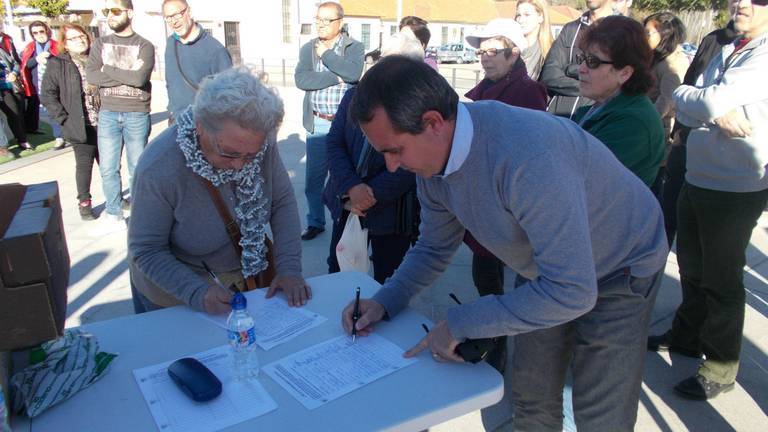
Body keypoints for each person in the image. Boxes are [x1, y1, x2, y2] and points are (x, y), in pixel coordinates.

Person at [341, 56, 667, 431]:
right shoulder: (430, 165)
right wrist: (385, 302)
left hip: (622, 266)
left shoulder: (529, 156)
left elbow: (572, 291)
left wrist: (462, 322)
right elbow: (433, 247)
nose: (392, 166)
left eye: (393, 151)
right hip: (547, 268)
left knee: (599, 413)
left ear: (432, 123)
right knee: (530, 397)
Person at [648, 0, 768, 401]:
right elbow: (707, 102)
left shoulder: (763, 52)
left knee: (721, 278)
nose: (742, 4)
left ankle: (719, 365)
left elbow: (708, 101)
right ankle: (686, 335)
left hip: (735, 185)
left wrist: (692, 97)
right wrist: (703, 103)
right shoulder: (732, 45)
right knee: (692, 267)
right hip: (699, 175)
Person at [129, 67, 309, 314]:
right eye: (229, 153)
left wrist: (289, 269)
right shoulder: (159, 167)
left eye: (251, 155)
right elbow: (147, 250)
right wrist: (196, 291)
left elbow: (281, 202)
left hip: (239, 277)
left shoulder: (259, 141)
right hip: (174, 288)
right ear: (201, 126)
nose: (239, 165)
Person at [461, 18, 548, 372]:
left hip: (508, 200)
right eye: (481, 51)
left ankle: (501, 344)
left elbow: (526, 149)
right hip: (484, 197)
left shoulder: (526, 92)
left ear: (514, 55)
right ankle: (495, 337)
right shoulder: (484, 88)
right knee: (485, 274)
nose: (484, 57)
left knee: (509, 278)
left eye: (493, 51)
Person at [325, 31, 423, 285]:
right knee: (339, 273)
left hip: (392, 211)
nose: (384, 67)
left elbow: (410, 165)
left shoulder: (419, 107)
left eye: (395, 62)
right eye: (383, 59)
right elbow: (335, 143)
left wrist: (368, 196)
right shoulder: (354, 97)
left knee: (387, 279)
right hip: (347, 202)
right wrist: (351, 188)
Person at [660, 2, 739, 247]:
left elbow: (712, 102)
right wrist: (680, 132)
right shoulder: (714, 40)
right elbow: (686, 88)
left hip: (730, 162)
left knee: (707, 249)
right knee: (666, 222)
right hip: (686, 142)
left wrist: (712, 105)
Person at [294, 1, 364, 241]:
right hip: (319, 123)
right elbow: (302, 80)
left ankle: (348, 218)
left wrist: (327, 55)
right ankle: (315, 221)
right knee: (314, 179)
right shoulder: (307, 48)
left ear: (340, 23)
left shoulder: (355, 46)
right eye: (318, 20)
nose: (321, 25)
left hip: (347, 125)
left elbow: (354, 74)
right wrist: (336, 76)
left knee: (347, 176)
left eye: (327, 20)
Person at [572, 16, 665, 188]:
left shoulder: (634, 123)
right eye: (581, 58)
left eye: (592, 61)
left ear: (624, 73)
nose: (581, 68)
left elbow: (581, 180)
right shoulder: (603, 107)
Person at [86, 0, 154, 224]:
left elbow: (139, 78)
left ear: (130, 13)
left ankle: (140, 213)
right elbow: (93, 77)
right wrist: (123, 72)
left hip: (136, 112)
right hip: (108, 113)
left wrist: (107, 68)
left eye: (115, 11)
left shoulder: (144, 45)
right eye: (106, 11)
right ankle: (113, 212)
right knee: (108, 168)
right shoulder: (100, 44)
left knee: (138, 168)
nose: (110, 16)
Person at [40, 24, 100, 221]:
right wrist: (63, 119)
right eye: (73, 38)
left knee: (109, 164)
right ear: (65, 43)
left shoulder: (96, 57)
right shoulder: (58, 63)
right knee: (84, 165)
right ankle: (84, 203)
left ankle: (115, 197)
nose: (79, 40)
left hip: (104, 121)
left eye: (81, 36)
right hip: (79, 124)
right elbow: (48, 95)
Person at [539, 0, 618, 119]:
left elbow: (614, 84)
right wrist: (591, 87)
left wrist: (569, 69)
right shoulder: (570, 29)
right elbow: (549, 76)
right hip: (555, 119)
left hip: (593, 123)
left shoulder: (623, 32)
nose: (582, 69)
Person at [162, 0, 232, 123]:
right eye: (168, 17)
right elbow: (171, 83)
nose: (174, 21)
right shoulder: (170, 43)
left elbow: (229, 95)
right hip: (176, 121)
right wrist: (171, 109)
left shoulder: (215, 50)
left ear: (189, 11)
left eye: (177, 14)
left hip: (204, 126)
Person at [645, 12, 689, 143]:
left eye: (648, 33)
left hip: (657, 128)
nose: (643, 37)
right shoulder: (655, 57)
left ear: (665, 34)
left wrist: (642, 120)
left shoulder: (674, 63)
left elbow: (667, 100)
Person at [20, 21, 64, 148]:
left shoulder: (56, 45)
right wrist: (36, 59)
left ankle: (70, 133)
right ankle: (59, 137)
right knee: (51, 112)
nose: (39, 34)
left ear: (47, 31)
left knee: (64, 109)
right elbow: (25, 65)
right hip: (40, 85)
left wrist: (51, 57)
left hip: (58, 84)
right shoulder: (30, 47)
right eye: (35, 32)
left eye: (41, 31)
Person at [0, 26, 31, 151]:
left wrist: (14, 73)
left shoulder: (7, 40)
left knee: (14, 112)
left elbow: (16, 61)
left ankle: (22, 139)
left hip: (8, 85)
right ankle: (3, 146)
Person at [515, 0, 553, 80]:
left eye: (527, 15)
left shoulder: (552, 52)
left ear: (541, 17)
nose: (520, 20)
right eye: (518, 15)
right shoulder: (511, 51)